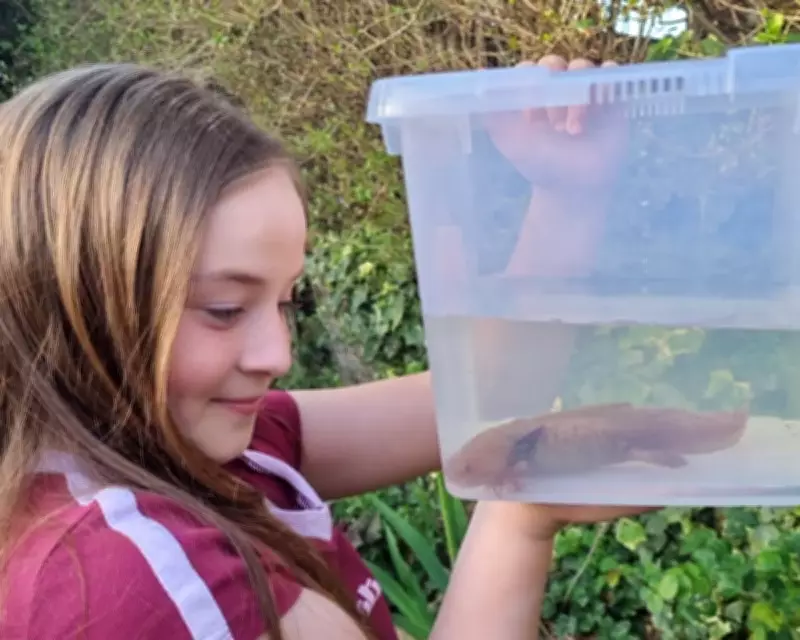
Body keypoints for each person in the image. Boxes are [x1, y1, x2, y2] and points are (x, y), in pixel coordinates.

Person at [0, 53, 655, 640]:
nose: (277, 353)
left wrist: (568, 195)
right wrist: (518, 518)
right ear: (69, 303)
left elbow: (490, 395)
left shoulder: (193, 442)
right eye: (225, 309)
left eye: (286, 301)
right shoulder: (133, 583)